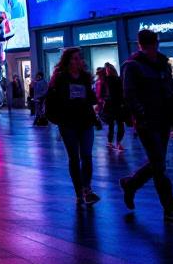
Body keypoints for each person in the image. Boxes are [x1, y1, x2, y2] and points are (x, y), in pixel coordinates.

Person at [119, 30, 173, 224]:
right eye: (151, 44)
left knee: (158, 163)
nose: (153, 48)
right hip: (148, 122)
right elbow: (129, 95)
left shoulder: (160, 64)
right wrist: (142, 115)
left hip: (162, 119)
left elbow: (170, 90)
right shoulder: (134, 66)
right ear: (143, 45)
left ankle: (131, 184)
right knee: (159, 165)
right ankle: (170, 209)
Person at [45, 48, 101, 205]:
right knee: (74, 158)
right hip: (68, 123)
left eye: (79, 58)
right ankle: (79, 191)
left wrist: (94, 105)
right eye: (75, 58)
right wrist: (58, 119)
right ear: (68, 61)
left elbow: (91, 99)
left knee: (87, 156)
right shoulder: (60, 79)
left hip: (85, 122)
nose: (78, 61)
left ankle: (87, 189)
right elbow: (51, 101)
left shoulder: (84, 77)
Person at [99, 63, 127, 151]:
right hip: (116, 105)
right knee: (118, 125)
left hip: (112, 105)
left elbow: (102, 94)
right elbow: (122, 92)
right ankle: (116, 143)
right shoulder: (116, 80)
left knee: (113, 125)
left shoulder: (106, 81)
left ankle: (112, 142)